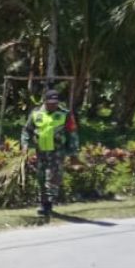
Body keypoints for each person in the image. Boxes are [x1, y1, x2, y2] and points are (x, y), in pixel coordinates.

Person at [20, 89, 79, 218]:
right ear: (45, 101)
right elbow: (27, 130)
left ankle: (48, 204)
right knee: (41, 178)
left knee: (52, 178)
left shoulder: (65, 114)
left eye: (55, 102)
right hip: (41, 151)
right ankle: (43, 202)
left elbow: (72, 134)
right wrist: (25, 144)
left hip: (57, 152)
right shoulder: (36, 114)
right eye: (50, 102)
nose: (53, 105)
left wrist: (74, 153)